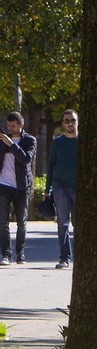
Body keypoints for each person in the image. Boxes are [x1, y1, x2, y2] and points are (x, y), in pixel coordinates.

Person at [0, 111, 35, 265]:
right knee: (2, 221)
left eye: (13, 126)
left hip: (22, 186)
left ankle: (20, 252)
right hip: (4, 185)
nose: (10, 128)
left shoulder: (29, 140)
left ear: (21, 125)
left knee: (21, 222)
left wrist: (11, 144)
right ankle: (6, 255)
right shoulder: (2, 140)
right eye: (8, 126)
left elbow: (26, 159)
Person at [47, 108, 78, 268]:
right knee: (63, 224)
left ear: (77, 122)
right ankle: (65, 258)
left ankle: (81, 258)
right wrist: (47, 190)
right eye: (67, 121)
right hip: (60, 187)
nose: (70, 123)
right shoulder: (57, 142)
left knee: (79, 223)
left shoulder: (83, 141)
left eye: (72, 120)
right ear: (62, 124)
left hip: (80, 187)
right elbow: (51, 165)